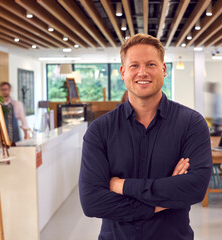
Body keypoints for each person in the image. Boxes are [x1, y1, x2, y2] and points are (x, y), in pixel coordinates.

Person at [79, 33, 212, 240]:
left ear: (164, 69)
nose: (143, 72)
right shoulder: (100, 130)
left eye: (151, 64)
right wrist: (164, 199)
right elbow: (92, 202)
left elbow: (195, 189)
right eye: (134, 66)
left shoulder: (191, 124)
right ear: (123, 72)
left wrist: (121, 186)